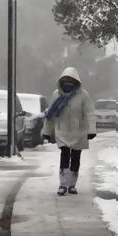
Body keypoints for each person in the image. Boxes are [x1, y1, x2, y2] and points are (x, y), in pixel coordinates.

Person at [42, 67, 96, 196]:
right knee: (64, 155)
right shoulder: (56, 94)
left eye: (71, 79)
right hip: (62, 131)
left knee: (76, 157)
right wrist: (46, 131)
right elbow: (51, 113)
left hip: (79, 132)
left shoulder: (83, 95)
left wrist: (91, 130)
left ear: (76, 81)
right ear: (61, 80)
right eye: (65, 79)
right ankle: (63, 184)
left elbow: (90, 113)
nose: (68, 82)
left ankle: (72, 184)